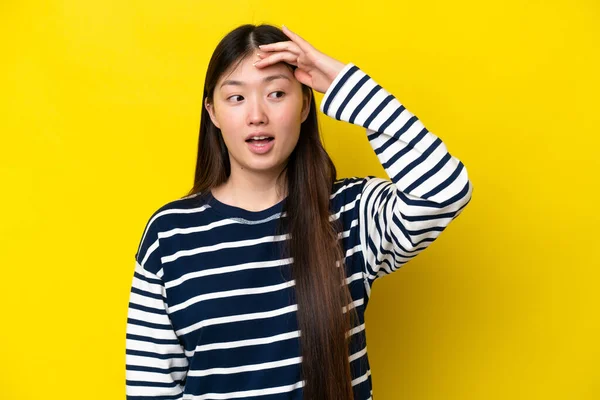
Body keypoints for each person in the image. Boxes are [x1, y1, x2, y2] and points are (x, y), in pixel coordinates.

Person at [125, 24, 473, 400]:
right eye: (236, 98)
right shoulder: (170, 234)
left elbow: (445, 190)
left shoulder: (350, 216)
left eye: (276, 93)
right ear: (212, 112)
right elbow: (151, 390)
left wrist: (342, 82)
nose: (257, 115)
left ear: (305, 104)